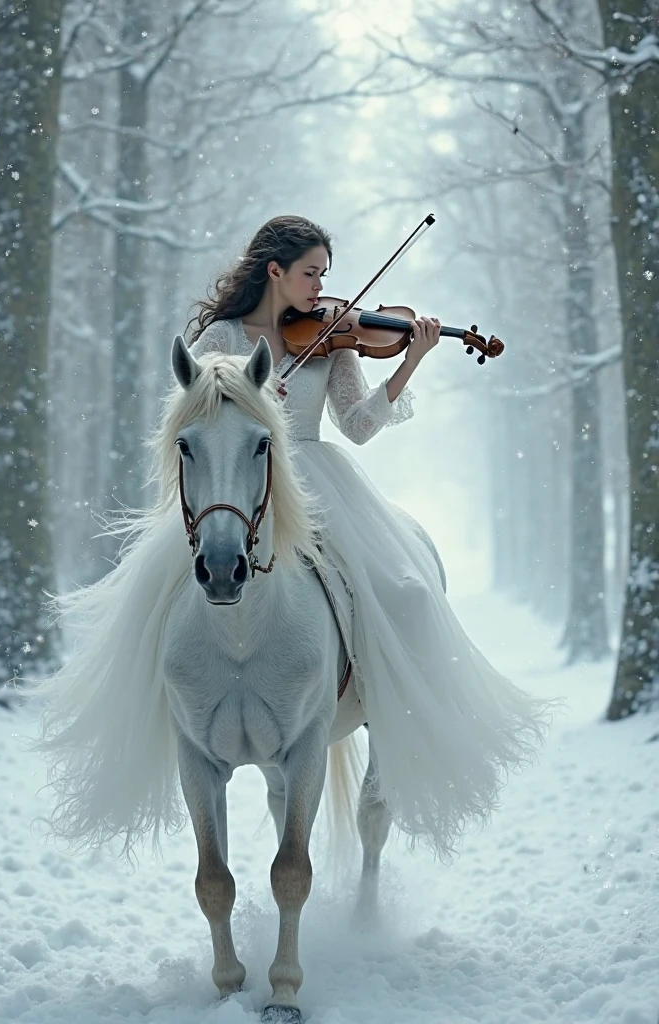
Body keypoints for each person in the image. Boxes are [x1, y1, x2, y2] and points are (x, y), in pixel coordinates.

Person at [187, 214, 551, 857]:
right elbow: (204, 410)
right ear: (275, 271)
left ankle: (383, 704)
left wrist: (408, 362)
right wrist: (255, 396)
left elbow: (355, 425)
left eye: (324, 275)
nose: (321, 287)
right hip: (238, 485)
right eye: (310, 273)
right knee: (162, 591)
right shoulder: (222, 335)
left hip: (317, 481)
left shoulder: (334, 334)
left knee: (406, 593)